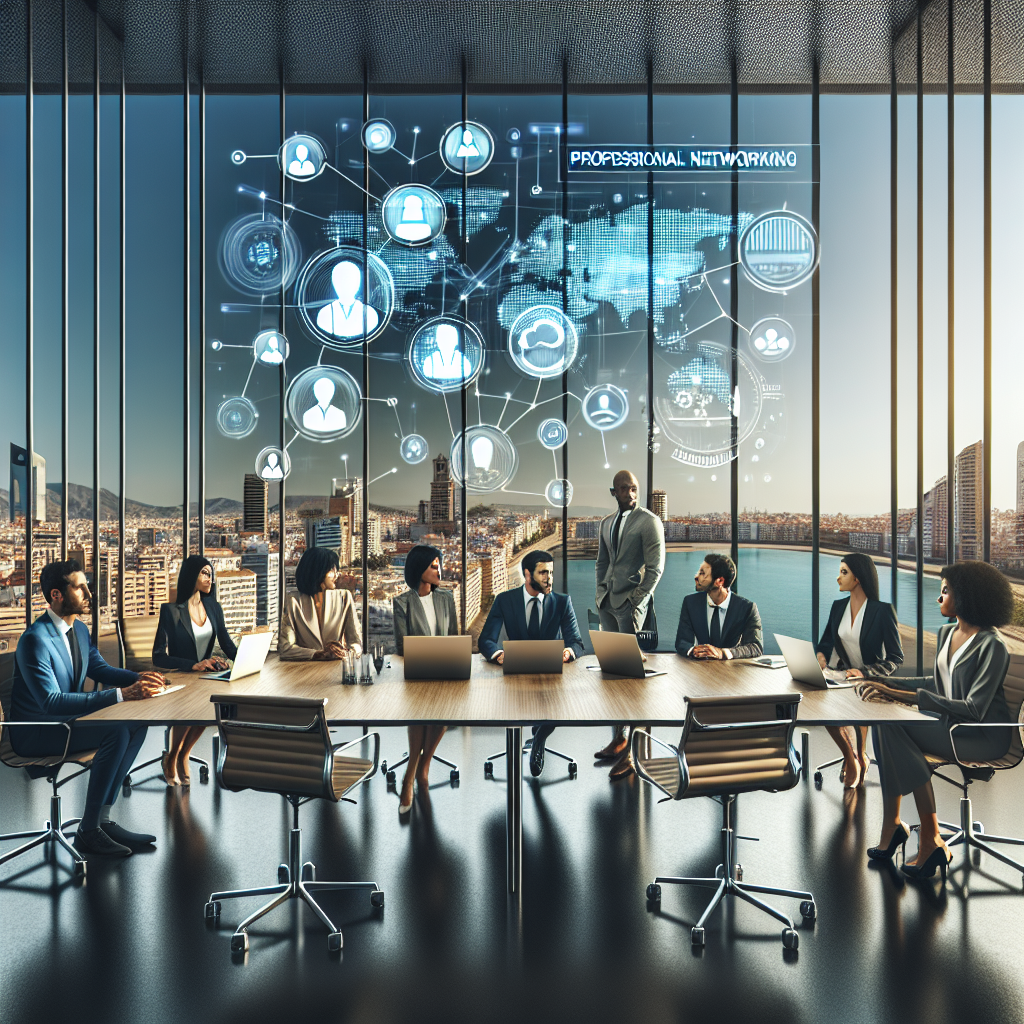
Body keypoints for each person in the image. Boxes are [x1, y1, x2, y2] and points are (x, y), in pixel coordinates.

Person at [857, 561, 1014, 880]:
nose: (938, 598)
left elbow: (973, 708)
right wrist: (891, 686)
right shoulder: (947, 633)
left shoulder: (993, 646)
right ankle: (899, 825)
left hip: (981, 735)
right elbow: (936, 683)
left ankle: (928, 836)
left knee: (895, 725)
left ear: (968, 597)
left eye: (945, 591)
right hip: (948, 725)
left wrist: (906, 697)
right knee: (884, 719)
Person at [10, 559, 166, 856]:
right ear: (56, 594)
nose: (88, 593)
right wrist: (121, 695)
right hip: (38, 731)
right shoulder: (35, 640)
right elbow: (51, 702)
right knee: (116, 732)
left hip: (69, 722)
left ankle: (102, 819)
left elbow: (99, 668)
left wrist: (140, 678)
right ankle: (88, 830)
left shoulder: (79, 631)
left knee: (136, 723)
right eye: (79, 587)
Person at [478, 549, 585, 778]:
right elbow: (485, 640)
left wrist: (568, 652)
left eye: (551, 572)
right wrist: (497, 654)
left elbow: (576, 641)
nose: (550, 578)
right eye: (543, 572)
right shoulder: (505, 601)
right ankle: (538, 736)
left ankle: (539, 739)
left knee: (557, 703)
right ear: (527, 574)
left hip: (551, 676)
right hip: (514, 675)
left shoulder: (562, 602)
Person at [594, 470, 665, 775]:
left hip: (629, 606)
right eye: (624, 489)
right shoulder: (606, 522)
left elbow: (656, 567)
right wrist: (600, 592)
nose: (631, 493)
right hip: (607, 603)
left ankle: (636, 754)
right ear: (614, 492)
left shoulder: (649, 521)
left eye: (634, 488)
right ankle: (619, 739)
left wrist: (637, 601)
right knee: (613, 675)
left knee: (635, 683)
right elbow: (601, 561)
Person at [815, 553, 904, 789]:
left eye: (844, 572)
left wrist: (864, 672)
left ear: (858, 578)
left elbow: (895, 658)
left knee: (856, 698)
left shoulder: (882, 611)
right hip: (842, 676)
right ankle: (851, 756)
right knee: (822, 706)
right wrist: (821, 656)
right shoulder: (838, 608)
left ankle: (860, 757)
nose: (838, 578)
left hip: (870, 681)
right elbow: (825, 643)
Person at [152, 556, 239, 786]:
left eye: (210, 573)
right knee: (192, 704)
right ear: (191, 576)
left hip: (206, 675)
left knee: (207, 709)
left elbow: (227, 645)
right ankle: (173, 756)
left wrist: (241, 661)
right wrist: (192, 664)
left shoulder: (213, 607)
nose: (209, 578)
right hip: (182, 675)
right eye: (203, 573)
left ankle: (182, 754)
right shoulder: (171, 611)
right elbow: (158, 656)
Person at [392, 544, 459, 817]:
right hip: (417, 672)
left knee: (441, 718)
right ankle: (411, 777)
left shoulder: (447, 599)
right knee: (419, 716)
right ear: (419, 569)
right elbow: (401, 646)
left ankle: (423, 767)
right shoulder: (402, 602)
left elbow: (454, 637)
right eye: (433, 566)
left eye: (439, 564)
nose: (439, 570)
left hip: (444, 670)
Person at [674, 553, 763, 661]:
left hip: (732, 672)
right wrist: (693, 650)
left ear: (719, 581)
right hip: (699, 670)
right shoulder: (690, 602)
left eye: (702, 574)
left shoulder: (747, 608)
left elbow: (755, 647)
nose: (696, 577)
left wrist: (723, 653)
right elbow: (682, 641)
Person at [279, 547, 361, 660]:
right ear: (318, 572)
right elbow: (285, 649)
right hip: (304, 670)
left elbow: (356, 641)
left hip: (336, 667)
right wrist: (316, 654)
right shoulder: (293, 601)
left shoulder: (344, 597)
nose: (336, 575)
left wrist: (348, 652)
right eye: (332, 570)